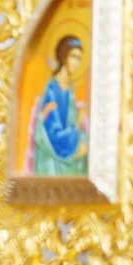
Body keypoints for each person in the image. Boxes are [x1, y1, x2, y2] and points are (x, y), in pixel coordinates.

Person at [29, 35, 89, 176]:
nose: (76, 62)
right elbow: (51, 134)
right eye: (73, 56)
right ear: (63, 56)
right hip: (53, 158)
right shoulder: (52, 90)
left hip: (66, 146)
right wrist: (77, 128)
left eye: (79, 58)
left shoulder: (69, 88)